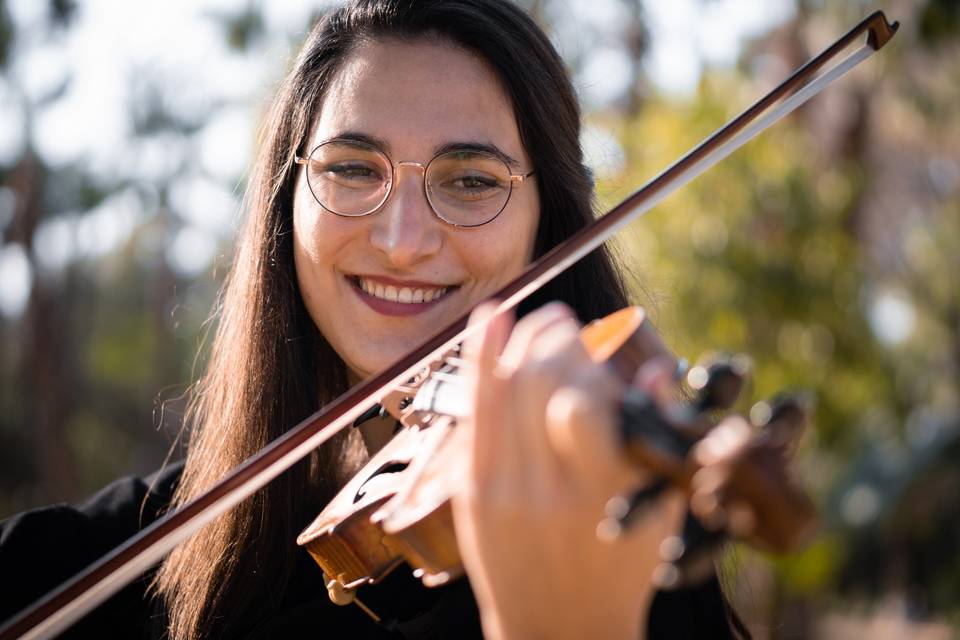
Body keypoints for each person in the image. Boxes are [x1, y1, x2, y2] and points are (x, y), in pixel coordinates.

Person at [0, 1, 750, 638]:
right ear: (285, 204)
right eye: (353, 168)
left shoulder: (625, 548)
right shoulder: (136, 554)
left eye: (470, 181)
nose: (400, 242)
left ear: (546, 224)